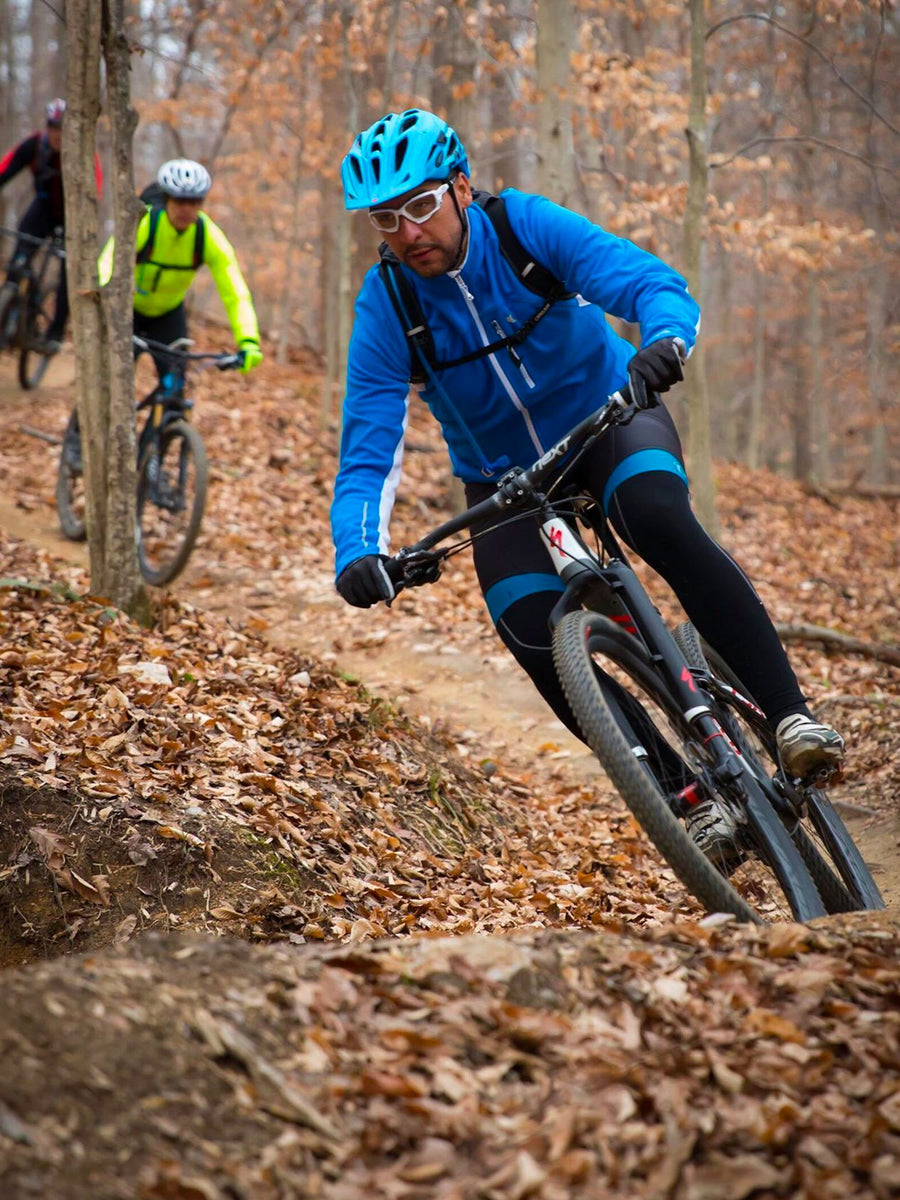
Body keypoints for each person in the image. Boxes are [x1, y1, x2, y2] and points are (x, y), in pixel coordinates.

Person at [330, 108, 845, 858]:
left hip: (609, 422)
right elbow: (367, 446)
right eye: (386, 217)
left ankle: (791, 715)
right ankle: (685, 794)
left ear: (461, 187)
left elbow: (645, 282)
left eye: (420, 205)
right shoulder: (389, 305)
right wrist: (358, 550)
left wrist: (663, 340)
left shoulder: (525, 229)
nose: (407, 232)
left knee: (655, 514)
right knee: (526, 625)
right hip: (504, 485)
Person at [62, 158, 264, 471]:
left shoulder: (207, 236)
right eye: (180, 201)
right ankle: (76, 443)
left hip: (167, 316)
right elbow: (109, 260)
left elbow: (235, 290)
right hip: (124, 313)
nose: (186, 209)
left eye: (194, 202)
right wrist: (103, 299)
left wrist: (248, 340)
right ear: (167, 199)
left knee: (174, 392)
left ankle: (153, 462)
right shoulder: (146, 223)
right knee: (104, 382)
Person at [0, 98, 92, 354]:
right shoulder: (33, 146)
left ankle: (54, 334)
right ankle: (14, 315)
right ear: (47, 127)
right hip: (42, 211)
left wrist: (81, 231)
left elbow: (94, 195)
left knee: (68, 274)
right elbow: (4, 171)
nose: (58, 134)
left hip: (73, 220)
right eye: (54, 127)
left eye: (64, 128)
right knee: (19, 261)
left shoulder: (84, 154)